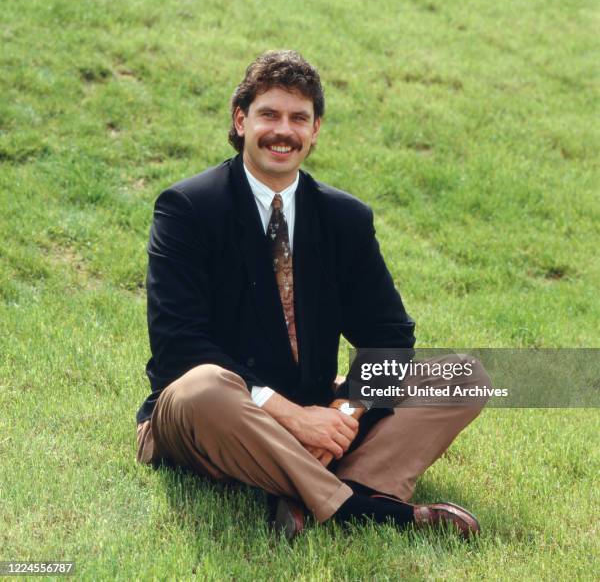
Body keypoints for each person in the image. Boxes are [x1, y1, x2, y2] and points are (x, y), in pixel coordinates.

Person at [136, 50, 490, 540]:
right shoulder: (188, 208)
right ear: (241, 121)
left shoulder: (345, 218)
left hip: (315, 403)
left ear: (315, 129)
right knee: (204, 385)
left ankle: (308, 489)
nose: (284, 130)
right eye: (269, 115)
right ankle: (361, 509)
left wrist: (343, 413)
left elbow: (388, 334)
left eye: (298, 118)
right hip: (215, 415)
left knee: (465, 375)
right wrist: (294, 419)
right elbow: (179, 346)